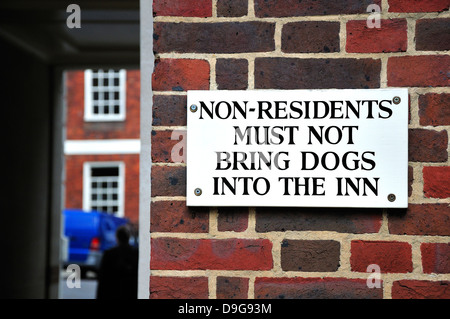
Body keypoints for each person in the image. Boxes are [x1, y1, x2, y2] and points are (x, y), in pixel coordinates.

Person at [96, 225, 138, 299]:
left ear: (117, 238)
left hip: (112, 293)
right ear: (128, 238)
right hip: (130, 293)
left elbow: (102, 279)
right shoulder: (136, 254)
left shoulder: (109, 254)